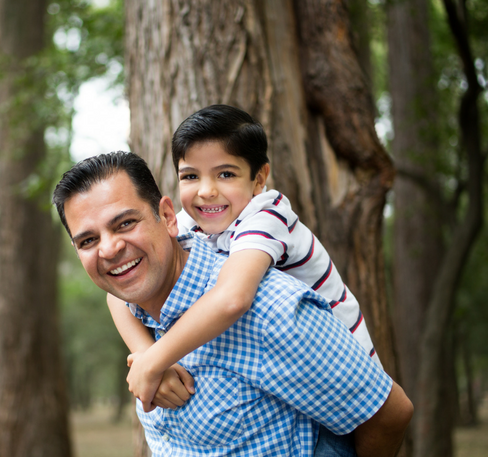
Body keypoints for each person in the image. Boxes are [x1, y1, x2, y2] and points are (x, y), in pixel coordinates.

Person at [52, 151, 413, 456]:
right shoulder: (136, 308)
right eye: (87, 241)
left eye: (125, 223)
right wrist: (148, 356)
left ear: (166, 216)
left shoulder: (272, 310)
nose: (109, 249)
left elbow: (389, 414)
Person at [107, 105, 380, 416]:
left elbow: (233, 298)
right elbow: (116, 293)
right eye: (191, 176)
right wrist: (146, 355)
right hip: (291, 387)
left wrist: (154, 362)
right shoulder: (191, 220)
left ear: (259, 178)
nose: (206, 192)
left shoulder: (267, 213)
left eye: (226, 174)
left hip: (342, 383)